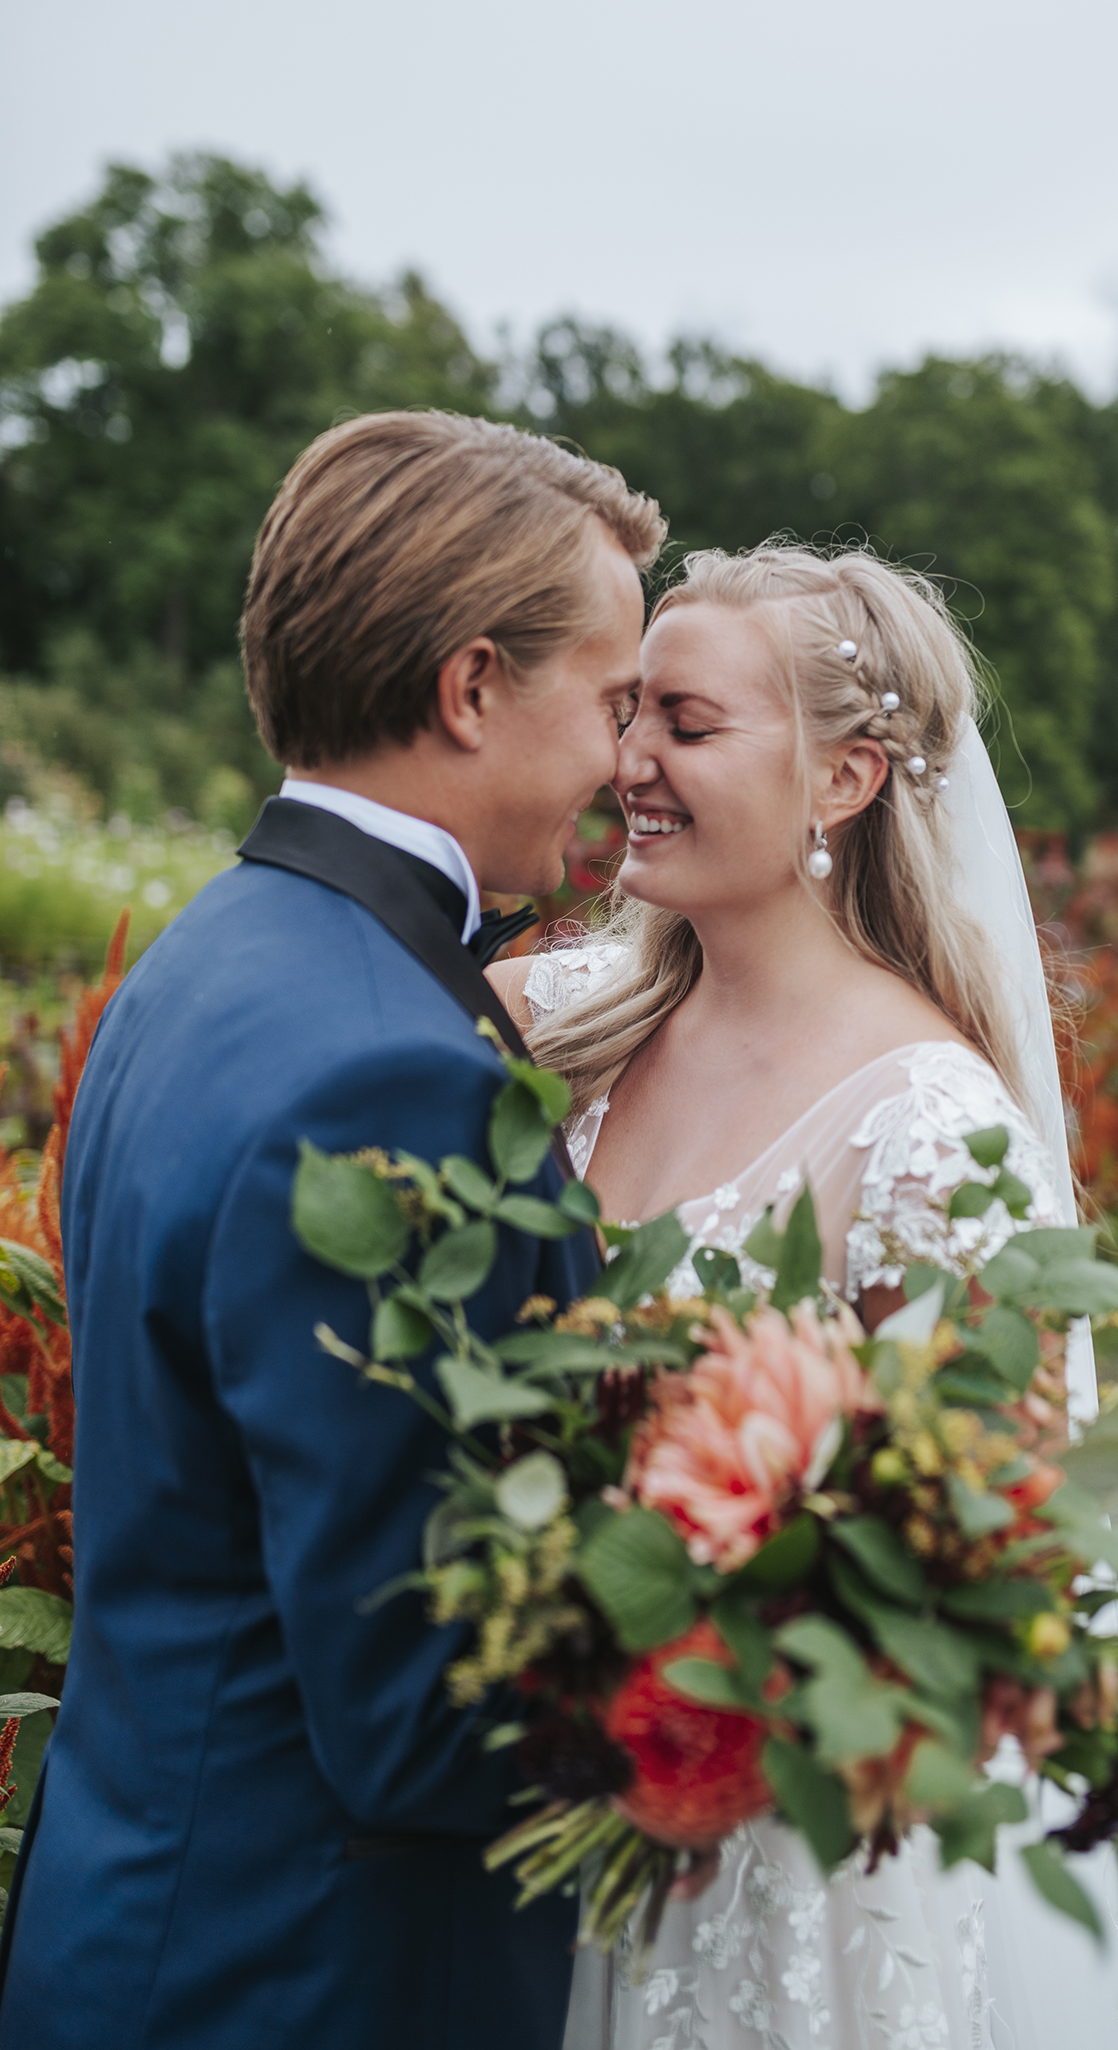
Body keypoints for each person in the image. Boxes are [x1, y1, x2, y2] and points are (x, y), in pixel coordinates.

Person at [0, 411, 662, 2050]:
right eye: (612, 698)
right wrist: (777, 1654)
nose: (626, 759)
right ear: (472, 686)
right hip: (309, 1977)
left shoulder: (198, 967)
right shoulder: (390, 1070)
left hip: (150, 1908)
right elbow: (422, 1713)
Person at [490, 543, 1118, 2050]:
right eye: (630, 716)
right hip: (566, 1787)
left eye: (688, 723)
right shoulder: (572, 1018)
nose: (630, 762)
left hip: (794, 1855)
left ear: (845, 779)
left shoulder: (933, 1128)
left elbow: (982, 1564)